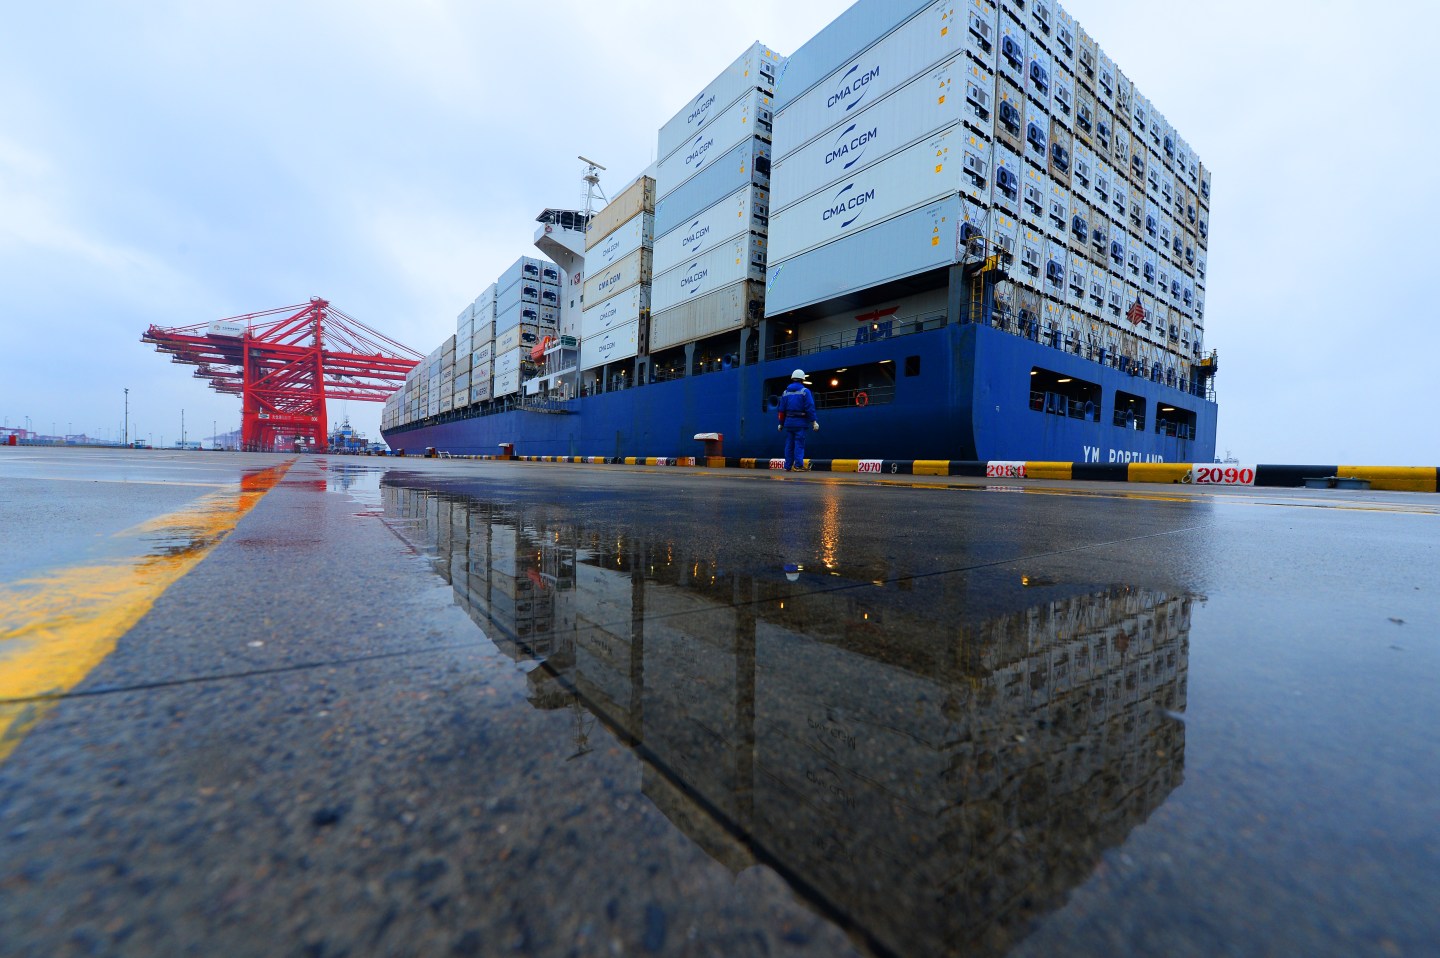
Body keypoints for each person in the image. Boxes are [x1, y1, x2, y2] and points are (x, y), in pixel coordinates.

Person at [776, 369, 819, 471]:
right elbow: (810, 407)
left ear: (792, 379)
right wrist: (814, 422)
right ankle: (798, 465)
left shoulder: (785, 392)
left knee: (789, 445)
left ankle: (787, 466)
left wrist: (781, 424)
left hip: (789, 423)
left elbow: (781, 410)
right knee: (799, 444)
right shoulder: (805, 392)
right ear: (802, 380)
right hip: (800, 423)